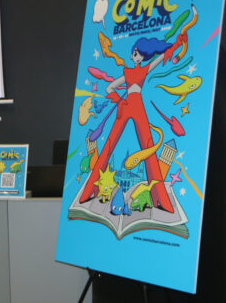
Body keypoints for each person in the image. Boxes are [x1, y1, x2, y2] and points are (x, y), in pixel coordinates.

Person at [78, 33, 187, 212]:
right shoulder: (128, 72)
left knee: (148, 145)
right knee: (109, 144)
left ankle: (159, 197)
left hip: (136, 105)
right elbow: (109, 87)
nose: (136, 56)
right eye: (135, 53)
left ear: (143, 55)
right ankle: (91, 189)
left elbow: (159, 58)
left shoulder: (142, 70)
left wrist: (176, 44)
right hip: (127, 105)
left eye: (138, 54)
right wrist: (119, 101)